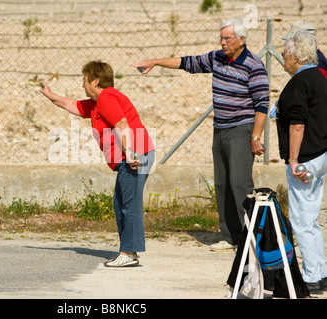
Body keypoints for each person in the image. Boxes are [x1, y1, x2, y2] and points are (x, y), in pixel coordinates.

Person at [133, 18, 269, 252]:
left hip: (241, 130)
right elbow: (187, 62)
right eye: (221, 38)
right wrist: (155, 61)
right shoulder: (217, 58)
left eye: (227, 38)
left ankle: (253, 237)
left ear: (241, 40)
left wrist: (255, 137)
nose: (223, 42)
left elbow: (262, 104)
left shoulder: (253, 65)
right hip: (220, 129)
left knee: (240, 184)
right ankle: (230, 236)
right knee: (222, 184)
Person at [40, 60, 155, 267]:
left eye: (84, 80)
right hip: (131, 155)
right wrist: (50, 95)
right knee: (121, 203)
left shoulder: (107, 97)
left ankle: (128, 253)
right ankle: (129, 251)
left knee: (129, 204)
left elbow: (121, 123)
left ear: (95, 81)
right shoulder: (96, 103)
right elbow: (70, 104)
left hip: (135, 155)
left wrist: (129, 153)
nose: (82, 85)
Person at [276, 30, 327, 295]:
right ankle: (321, 272)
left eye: (284, 53)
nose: (283, 58)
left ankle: (311, 278)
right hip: (321, 154)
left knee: (301, 220)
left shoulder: (299, 82)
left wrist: (294, 161)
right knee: (311, 217)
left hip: (305, 157)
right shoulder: (319, 76)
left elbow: (297, 124)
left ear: (295, 55)